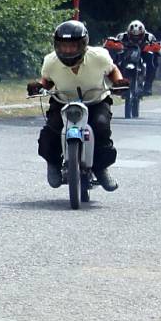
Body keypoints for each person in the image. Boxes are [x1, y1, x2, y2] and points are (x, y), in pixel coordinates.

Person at [28, 20, 127, 192]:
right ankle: (53, 164)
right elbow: (47, 81)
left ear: (83, 44)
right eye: (63, 46)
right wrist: (39, 86)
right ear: (56, 45)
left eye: (72, 46)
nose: (67, 50)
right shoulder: (50, 61)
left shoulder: (99, 56)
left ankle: (101, 168)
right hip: (62, 101)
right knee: (50, 132)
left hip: (96, 100)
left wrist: (118, 82)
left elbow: (112, 70)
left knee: (101, 127)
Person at [103, 20, 161, 95]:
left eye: (138, 36)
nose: (135, 39)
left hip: (143, 54)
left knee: (150, 58)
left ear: (143, 33)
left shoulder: (149, 37)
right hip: (126, 55)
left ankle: (148, 85)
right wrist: (114, 45)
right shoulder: (121, 36)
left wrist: (153, 48)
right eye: (133, 36)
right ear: (128, 33)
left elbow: (160, 50)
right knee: (115, 58)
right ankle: (116, 82)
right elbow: (111, 43)